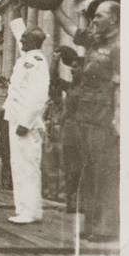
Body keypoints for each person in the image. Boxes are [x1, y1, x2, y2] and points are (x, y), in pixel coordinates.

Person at [54, 0, 120, 242]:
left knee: (105, 172)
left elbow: (119, 87)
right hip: (85, 116)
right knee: (88, 172)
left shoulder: (119, 47)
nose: (94, 20)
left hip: (104, 117)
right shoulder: (95, 41)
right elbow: (73, 30)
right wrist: (53, 6)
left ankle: (106, 227)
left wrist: (118, 119)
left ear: (114, 19)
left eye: (100, 16)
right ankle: (91, 224)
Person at [3, 5, 50, 224]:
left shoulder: (37, 62)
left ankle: (29, 211)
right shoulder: (26, 59)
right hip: (16, 119)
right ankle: (25, 209)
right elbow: (16, 27)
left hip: (25, 123)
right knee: (19, 165)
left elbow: (37, 96)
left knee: (28, 166)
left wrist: (26, 121)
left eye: (24, 39)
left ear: (33, 41)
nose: (20, 41)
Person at [51, 46, 84, 213]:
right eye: (71, 67)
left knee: (82, 167)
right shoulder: (71, 86)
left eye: (76, 67)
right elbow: (54, 80)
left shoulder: (86, 87)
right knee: (69, 166)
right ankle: (71, 202)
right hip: (70, 130)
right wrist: (55, 61)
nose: (72, 70)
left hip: (82, 130)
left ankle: (81, 202)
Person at [42, 83, 65, 201]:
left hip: (61, 140)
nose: (54, 98)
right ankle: (51, 192)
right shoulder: (49, 106)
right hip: (50, 140)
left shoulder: (65, 106)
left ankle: (62, 193)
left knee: (63, 168)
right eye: (52, 95)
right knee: (51, 168)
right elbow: (44, 119)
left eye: (56, 95)